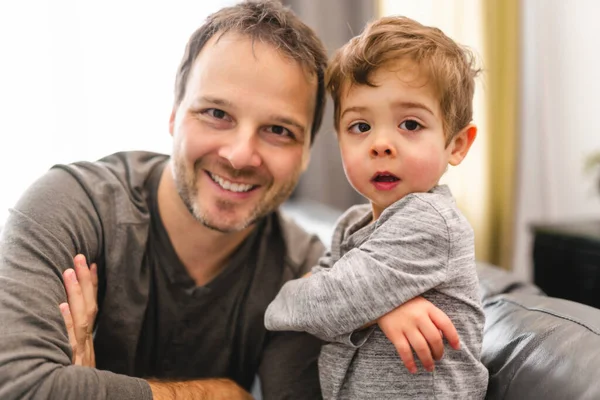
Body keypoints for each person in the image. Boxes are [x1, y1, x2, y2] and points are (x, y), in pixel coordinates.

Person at [0, 2, 459, 400]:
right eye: (216, 113)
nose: (240, 155)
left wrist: (86, 386)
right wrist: (221, 394)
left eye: (278, 130)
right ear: (174, 114)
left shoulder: (300, 268)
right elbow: (17, 387)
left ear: (305, 156)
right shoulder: (71, 208)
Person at [265, 15, 489, 400]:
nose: (380, 144)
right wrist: (380, 306)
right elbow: (286, 308)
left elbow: (318, 305)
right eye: (360, 127)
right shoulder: (351, 225)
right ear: (339, 140)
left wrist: (355, 302)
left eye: (411, 124)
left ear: (457, 145)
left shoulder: (430, 221)